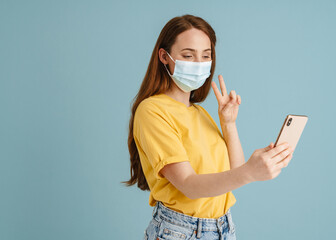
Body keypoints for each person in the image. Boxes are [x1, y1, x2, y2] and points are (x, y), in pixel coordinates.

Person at [122, 14, 294, 240]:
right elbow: (189, 185)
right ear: (164, 56)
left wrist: (228, 124)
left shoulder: (200, 112)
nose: (199, 64)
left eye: (206, 56)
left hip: (223, 227)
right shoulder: (152, 111)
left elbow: (234, 171)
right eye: (187, 55)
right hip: (181, 231)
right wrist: (250, 172)